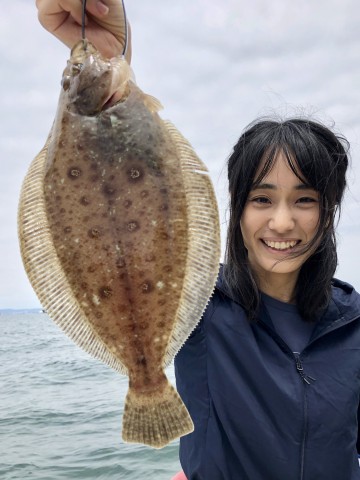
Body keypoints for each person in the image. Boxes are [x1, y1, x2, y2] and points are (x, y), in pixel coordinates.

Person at [35, 1, 360, 479]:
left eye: (305, 200)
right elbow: (125, 210)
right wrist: (116, 51)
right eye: (262, 199)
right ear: (237, 209)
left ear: (328, 209)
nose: (283, 223)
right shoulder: (203, 307)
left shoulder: (353, 325)